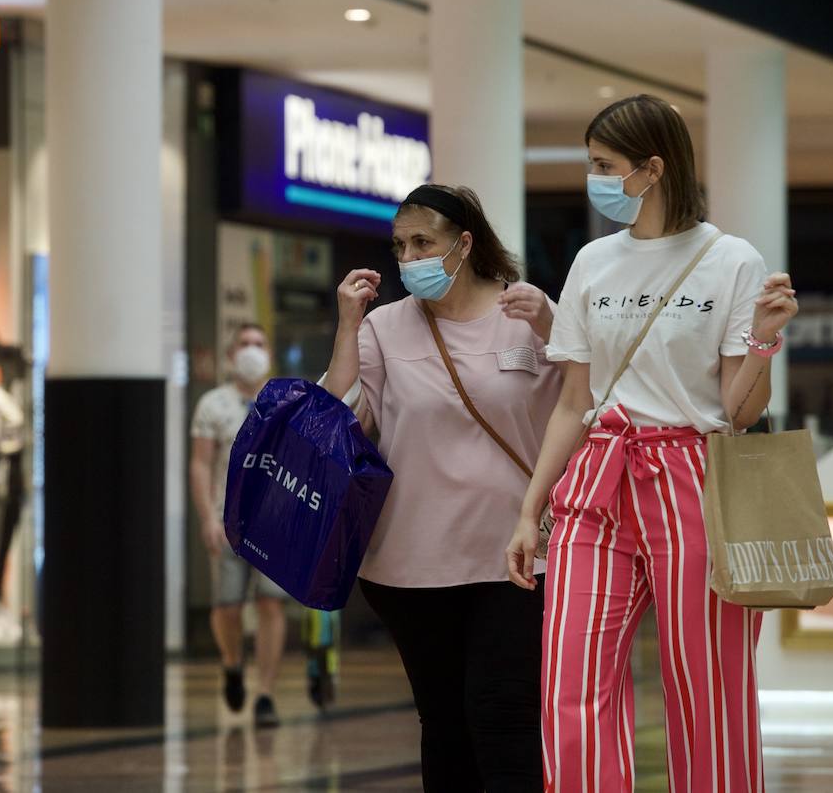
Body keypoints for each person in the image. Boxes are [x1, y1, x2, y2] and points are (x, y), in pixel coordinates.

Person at [506, 94, 798, 792]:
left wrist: (762, 341)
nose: (595, 178)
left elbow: (738, 412)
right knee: (568, 683)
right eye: (592, 165)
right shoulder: (592, 262)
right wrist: (529, 510)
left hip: (692, 477)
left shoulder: (730, 260)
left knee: (709, 690)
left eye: (605, 166)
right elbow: (574, 402)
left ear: (653, 168)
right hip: (598, 475)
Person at [323, 184, 563, 792]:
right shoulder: (384, 327)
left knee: (506, 714)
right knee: (445, 723)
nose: (409, 258)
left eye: (422, 242)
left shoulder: (528, 314)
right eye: (400, 246)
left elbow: (582, 413)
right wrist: (348, 326)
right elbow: (337, 421)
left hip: (514, 555)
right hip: (407, 564)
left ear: (463, 243)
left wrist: (557, 330)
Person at [190, 323, 288, 728]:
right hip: (229, 520)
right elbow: (200, 463)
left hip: (275, 523)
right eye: (244, 345)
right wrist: (207, 519)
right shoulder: (213, 404)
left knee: (270, 603)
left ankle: (265, 693)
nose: (251, 351)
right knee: (227, 605)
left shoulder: (286, 400)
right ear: (231, 356)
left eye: (259, 344)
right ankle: (232, 662)